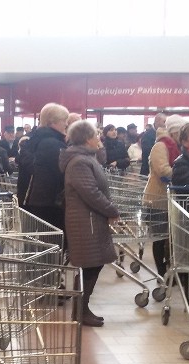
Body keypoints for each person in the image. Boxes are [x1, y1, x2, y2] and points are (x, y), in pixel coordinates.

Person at [59, 120, 120, 327]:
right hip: (86, 222)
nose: (99, 139)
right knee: (90, 265)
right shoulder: (79, 162)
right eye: (96, 136)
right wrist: (112, 210)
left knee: (92, 265)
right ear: (86, 138)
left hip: (91, 220)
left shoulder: (86, 158)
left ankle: (82, 309)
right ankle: (80, 310)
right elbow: (90, 193)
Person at [143, 114, 186, 276]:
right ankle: (161, 273)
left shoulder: (177, 147)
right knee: (159, 238)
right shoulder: (161, 146)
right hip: (157, 199)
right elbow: (162, 170)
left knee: (170, 239)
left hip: (171, 199)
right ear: (175, 132)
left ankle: (169, 270)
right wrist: (183, 173)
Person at [22, 103, 70, 242]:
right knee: (54, 243)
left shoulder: (38, 139)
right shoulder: (52, 144)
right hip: (50, 201)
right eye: (63, 120)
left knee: (44, 242)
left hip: (39, 199)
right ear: (52, 122)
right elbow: (61, 171)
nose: (66, 124)